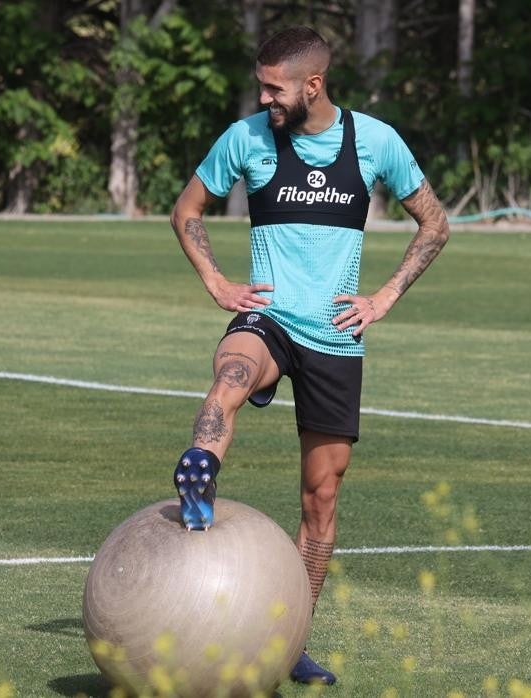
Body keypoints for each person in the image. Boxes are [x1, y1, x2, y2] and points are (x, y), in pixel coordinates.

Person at [169, 26, 449, 685]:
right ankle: (199, 469)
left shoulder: (376, 142)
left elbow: (434, 222)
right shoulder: (247, 138)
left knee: (321, 498)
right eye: (261, 84)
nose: (263, 97)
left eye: (274, 87)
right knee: (231, 371)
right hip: (268, 316)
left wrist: (383, 296)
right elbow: (188, 209)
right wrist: (215, 280)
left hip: (335, 337)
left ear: (312, 85)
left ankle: (291, 638)